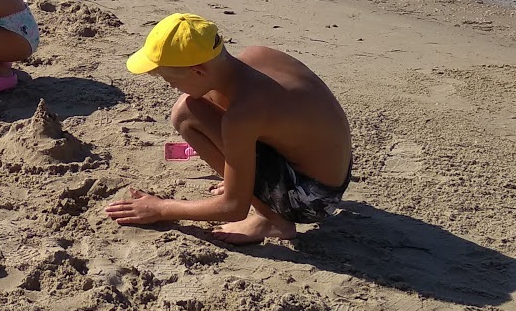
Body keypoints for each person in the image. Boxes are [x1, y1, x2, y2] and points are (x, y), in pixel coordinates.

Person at [105, 13, 351, 247]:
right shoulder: (257, 56)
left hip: (314, 199)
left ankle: (272, 221)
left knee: (186, 113)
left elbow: (233, 207)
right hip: (333, 167)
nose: (172, 87)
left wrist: (160, 209)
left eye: (171, 81)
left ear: (198, 71)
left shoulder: (243, 115)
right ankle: (244, 182)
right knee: (207, 102)